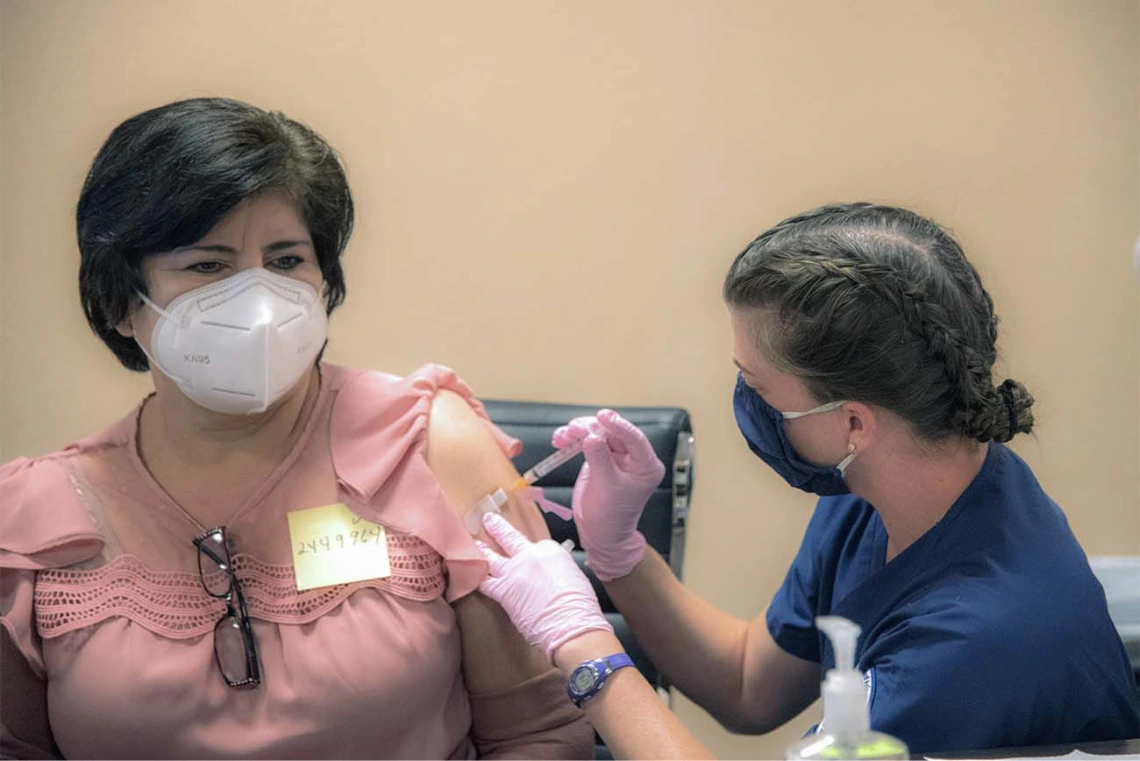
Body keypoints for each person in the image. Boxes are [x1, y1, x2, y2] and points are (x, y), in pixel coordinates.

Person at [0, 97, 592, 759]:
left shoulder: (430, 446)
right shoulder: (32, 519)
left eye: (286, 261)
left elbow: (539, 733)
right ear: (120, 302)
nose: (257, 305)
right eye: (208, 265)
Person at [476, 203, 1140, 759]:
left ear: (853, 422)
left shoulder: (969, 645)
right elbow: (748, 684)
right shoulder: (883, 494)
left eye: (757, 383)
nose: (746, 400)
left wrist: (584, 647)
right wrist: (618, 551)